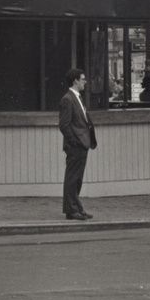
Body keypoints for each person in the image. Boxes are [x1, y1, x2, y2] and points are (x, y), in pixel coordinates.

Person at [58, 68, 97, 220]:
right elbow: (64, 125)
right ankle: (71, 209)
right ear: (75, 80)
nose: (85, 81)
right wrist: (75, 142)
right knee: (73, 177)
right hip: (76, 145)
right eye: (82, 79)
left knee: (77, 178)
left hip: (82, 144)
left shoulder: (77, 98)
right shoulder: (68, 99)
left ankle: (76, 208)